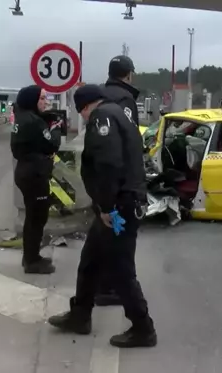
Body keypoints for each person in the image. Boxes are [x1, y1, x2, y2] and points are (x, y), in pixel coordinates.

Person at [48, 84, 156, 348]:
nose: (83, 119)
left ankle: (143, 328)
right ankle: (80, 314)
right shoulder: (120, 113)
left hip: (118, 207)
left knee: (121, 270)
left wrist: (107, 207)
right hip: (117, 204)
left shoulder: (103, 118)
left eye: (81, 113)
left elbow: (108, 164)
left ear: (85, 107)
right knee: (91, 262)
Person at [95, 54, 141, 306]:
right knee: (122, 242)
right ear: (128, 74)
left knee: (105, 238)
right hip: (121, 182)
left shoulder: (101, 95)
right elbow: (127, 142)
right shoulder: (125, 100)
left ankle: (102, 286)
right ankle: (113, 289)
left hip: (102, 182)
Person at [10, 85, 61, 274]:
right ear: (32, 100)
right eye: (42, 98)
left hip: (28, 172)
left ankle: (31, 256)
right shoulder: (32, 122)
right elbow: (51, 144)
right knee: (36, 218)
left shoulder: (23, 117)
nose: (46, 102)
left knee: (35, 217)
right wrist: (55, 127)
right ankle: (31, 261)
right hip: (34, 175)